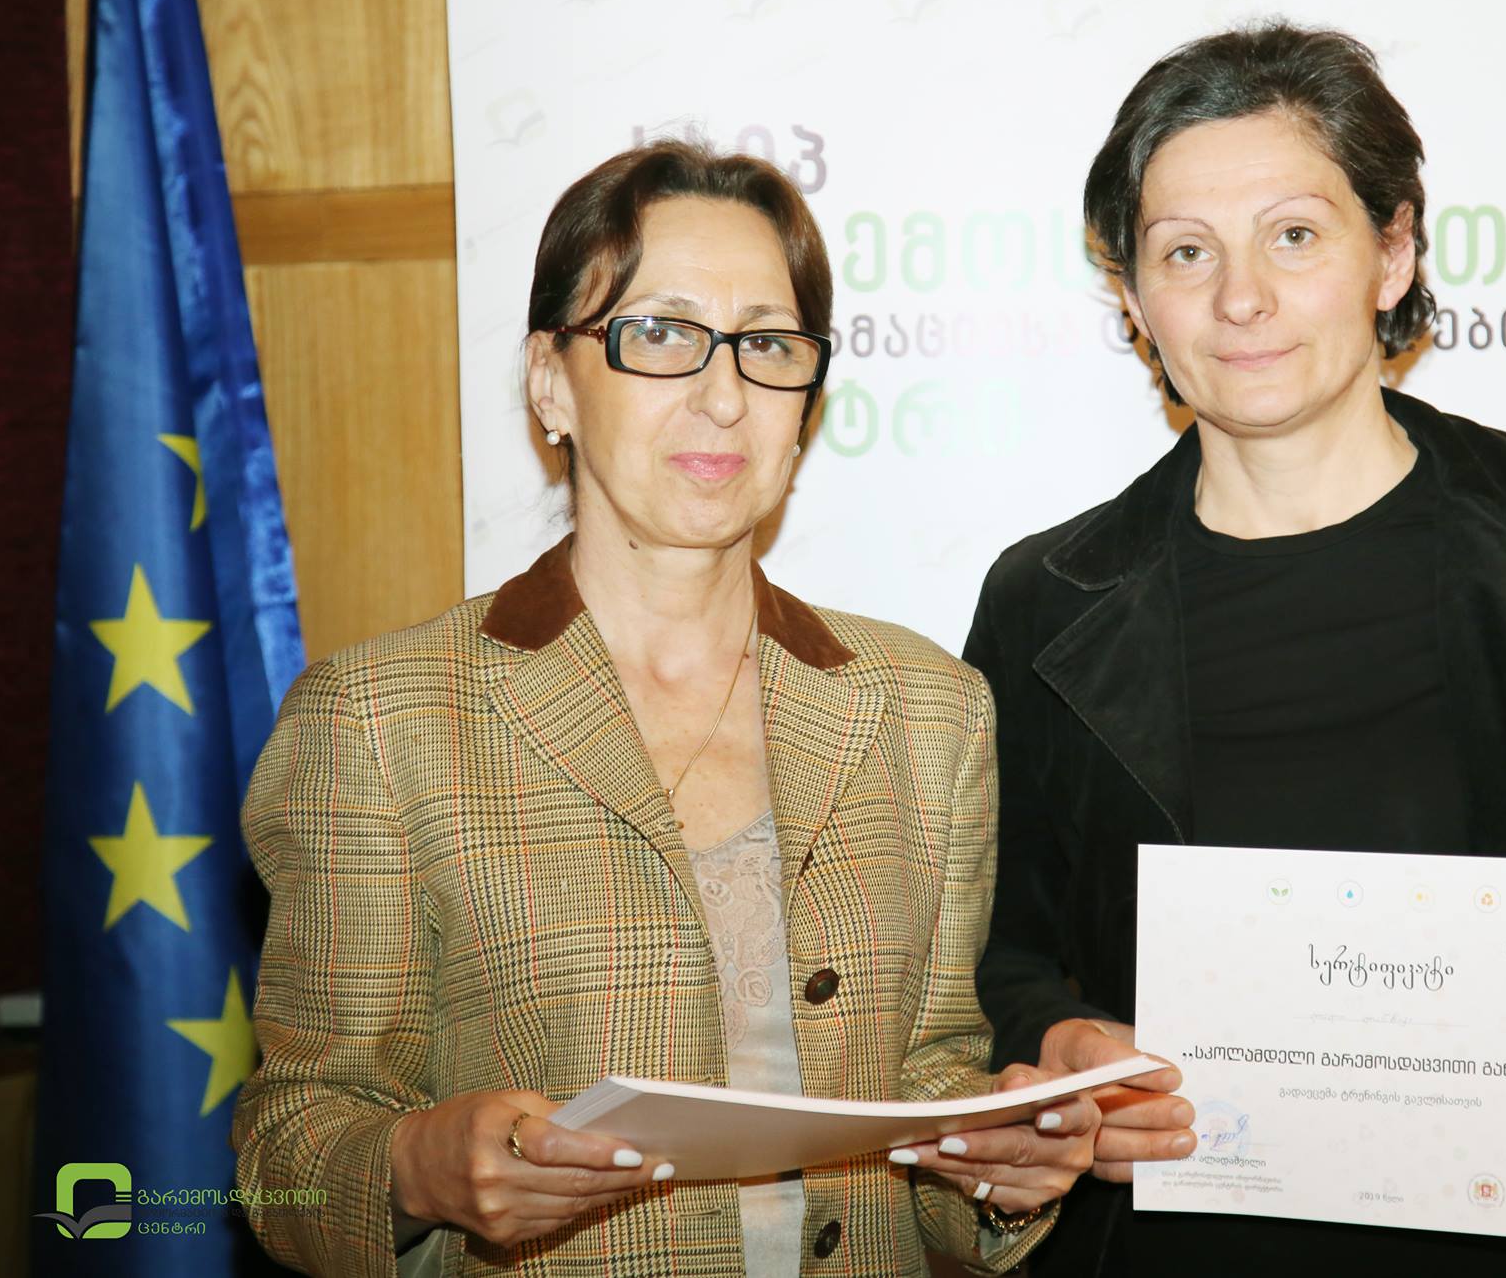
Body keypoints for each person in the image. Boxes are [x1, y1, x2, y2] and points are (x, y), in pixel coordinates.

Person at [965, 22, 1506, 1276]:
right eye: (1184, 252)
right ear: (1131, 297)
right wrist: (1057, 1043)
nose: (1240, 297)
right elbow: (997, 949)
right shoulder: (1043, 600)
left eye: (1293, 236)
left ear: (1391, 252)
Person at [232, 140, 1102, 1278]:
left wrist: (1000, 1167)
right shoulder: (379, 721)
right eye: (659, 333)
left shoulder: (927, 711)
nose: (723, 395)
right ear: (550, 380)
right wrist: (414, 1166)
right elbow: (284, 1152)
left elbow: (929, 1091)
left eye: (767, 344)